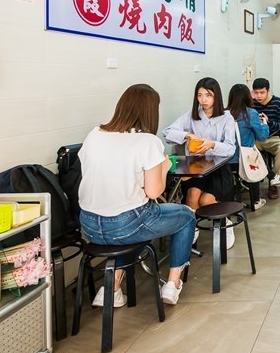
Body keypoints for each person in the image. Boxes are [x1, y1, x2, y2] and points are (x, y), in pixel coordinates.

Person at [78, 84, 195, 307]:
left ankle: (111, 288)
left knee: (137, 224)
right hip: (126, 225)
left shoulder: (94, 134)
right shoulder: (148, 141)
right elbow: (154, 192)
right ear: (151, 111)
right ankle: (173, 284)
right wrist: (163, 167)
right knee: (186, 216)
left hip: (89, 226)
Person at [163, 77, 237, 210]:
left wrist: (213, 144)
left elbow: (231, 149)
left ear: (217, 96)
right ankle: (193, 223)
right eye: (200, 95)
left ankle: (222, 220)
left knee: (205, 200)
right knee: (192, 195)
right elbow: (167, 132)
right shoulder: (192, 115)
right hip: (196, 167)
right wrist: (187, 135)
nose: (203, 100)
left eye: (208, 95)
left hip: (218, 168)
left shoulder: (227, 118)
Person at [228, 83, 270, 210]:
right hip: (244, 159)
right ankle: (255, 201)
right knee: (255, 159)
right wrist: (265, 123)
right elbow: (262, 136)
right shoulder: (251, 113)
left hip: (227, 160)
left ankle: (231, 201)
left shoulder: (224, 114)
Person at [252, 77, 280, 200]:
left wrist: (268, 122)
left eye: (262, 92)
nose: (258, 96)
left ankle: (274, 183)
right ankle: (253, 180)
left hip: (273, 138)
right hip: (256, 139)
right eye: (256, 93)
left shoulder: (278, 103)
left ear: (268, 91)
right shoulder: (252, 104)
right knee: (246, 150)